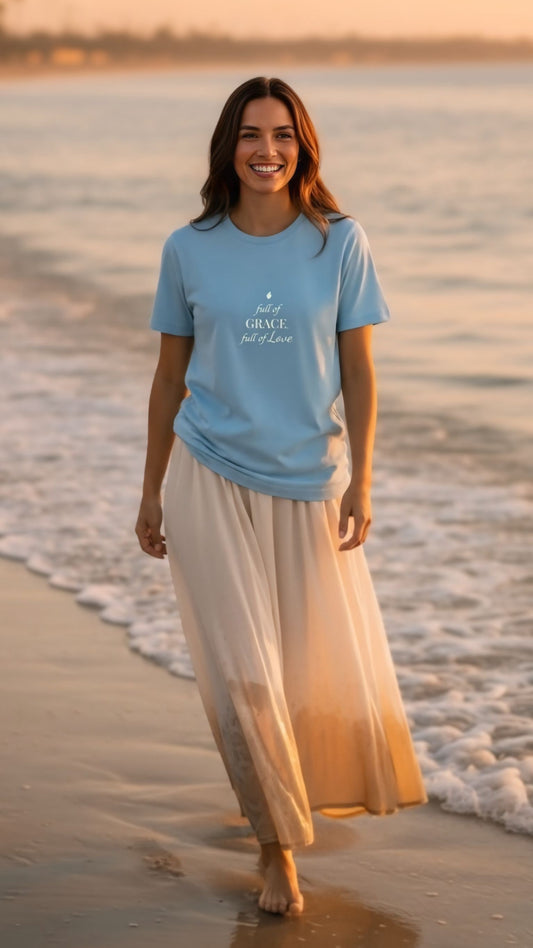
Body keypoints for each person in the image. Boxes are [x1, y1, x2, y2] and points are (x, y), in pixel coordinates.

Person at [135, 76, 427, 918]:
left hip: (306, 482)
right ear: (227, 147)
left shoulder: (338, 244)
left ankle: (279, 804)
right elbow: (167, 378)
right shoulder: (188, 247)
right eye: (250, 135)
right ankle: (277, 853)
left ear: (303, 146)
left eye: (283, 135)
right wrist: (150, 489)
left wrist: (362, 479)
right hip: (206, 475)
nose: (267, 150)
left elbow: (360, 372)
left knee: (302, 671)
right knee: (245, 675)